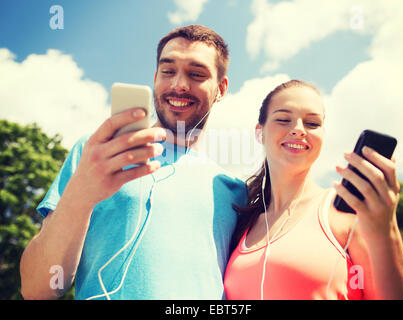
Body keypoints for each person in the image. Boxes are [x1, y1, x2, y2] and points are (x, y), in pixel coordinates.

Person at [20, 25, 247, 300]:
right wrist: (80, 194)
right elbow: (36, 290)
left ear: (221, 88)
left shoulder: (235, 191)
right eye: (168, 71)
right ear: (154, 77)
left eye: (196, 74)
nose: (178, 85)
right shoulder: (97, 154)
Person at [224, 80, 403, 300]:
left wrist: (386, 231)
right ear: (260, 132)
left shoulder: (348, 214)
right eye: (283, 119)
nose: (298, 129)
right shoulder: (242, 223)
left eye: (312, 123)